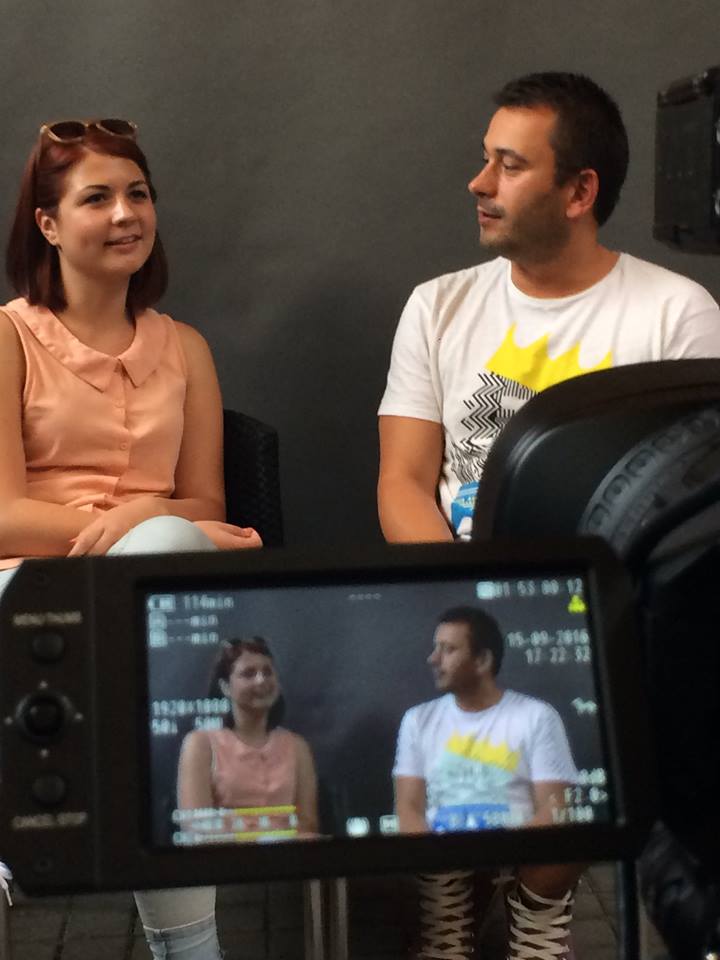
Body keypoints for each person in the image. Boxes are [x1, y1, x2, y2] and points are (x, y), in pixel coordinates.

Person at [0, 118, 263, 960]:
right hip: (29, 591)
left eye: (138, 194)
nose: (126, 214)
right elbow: (2, 514)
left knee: (159, 600)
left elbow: (206, 501)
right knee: (164, 691)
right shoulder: (8, 337)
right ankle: (192, 949)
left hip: (159, 585)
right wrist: (121, 522)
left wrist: (145, 525)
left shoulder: (186, 348)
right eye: (98, 198)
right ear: (47, 223)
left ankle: (31, 811)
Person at [377, 71, 720, 544]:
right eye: (485, 160)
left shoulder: (679, 314)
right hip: (469, 575)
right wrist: (464, 580)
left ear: (579, 193)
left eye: (510, 166)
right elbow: (403, 484)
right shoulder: (435, 307)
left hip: (612, 585)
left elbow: (697, 509)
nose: (479, 183)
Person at [394, 607, 578, 959]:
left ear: (482, 660)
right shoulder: (418, 720)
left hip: (526, 847)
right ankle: (447, 914)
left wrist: (501, 849)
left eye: (448, 649)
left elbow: (554, 807)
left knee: (577, 827)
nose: (433, 659)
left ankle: (536, 913)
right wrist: (437, 855)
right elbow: (408, 806)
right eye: (436, 648)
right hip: (442, 849)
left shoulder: (537, 716)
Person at [177, 636, 318, 840]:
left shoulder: (297, 746)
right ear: (225, 686)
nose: (261, 680)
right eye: (248, 674)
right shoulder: (200, 744)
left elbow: (308, 823)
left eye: (267, 672)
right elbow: (196, 826)